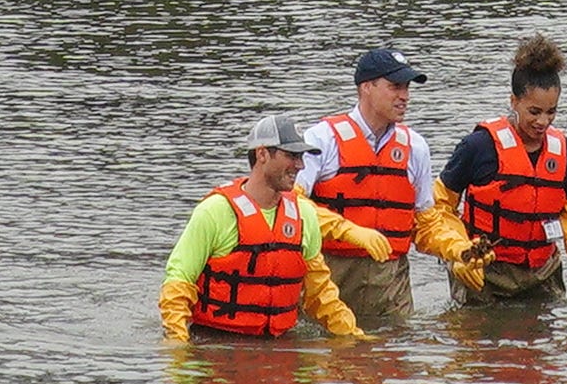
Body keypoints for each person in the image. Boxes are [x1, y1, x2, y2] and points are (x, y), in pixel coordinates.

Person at [163, 117, 413, 343]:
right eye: (291, 156)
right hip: (216, 342)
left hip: (280, 342)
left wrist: (353, 336)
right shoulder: (215, 211)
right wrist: (178, 346)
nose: (300, 165)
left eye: (301, 157)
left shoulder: (304, 215)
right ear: (262, 154)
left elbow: (320, 295)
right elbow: (178, 283)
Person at [432, 36, 567, 316]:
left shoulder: (565, 153)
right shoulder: (478, 147)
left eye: (552, 112)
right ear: (514, 101)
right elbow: (440, 209)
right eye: (534, 112)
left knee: (544, 355)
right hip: (484, 273)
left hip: (543, 274)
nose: (543, 122)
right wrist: (459, 254)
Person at [307, 47, 434, 318]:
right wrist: (348, 230)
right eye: (395, 87)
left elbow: (427, 222)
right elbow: (292, 205)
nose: (405, 96)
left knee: (395, 355)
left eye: (407, 88)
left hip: (391, 283)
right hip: (332, 277)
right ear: (367, 87)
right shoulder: (321, 139)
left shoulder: (417, 147)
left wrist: (458, 249)